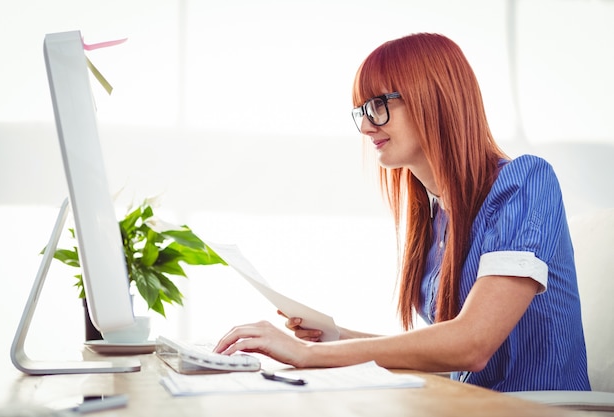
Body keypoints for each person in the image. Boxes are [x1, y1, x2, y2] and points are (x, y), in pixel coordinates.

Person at [213, 33, 591, 392]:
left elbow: (471, 345)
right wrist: (336, 337)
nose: (364, 126)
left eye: (378, 106)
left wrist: (311, 355)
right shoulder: (436, 217)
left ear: (434, 99)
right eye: (361, 110)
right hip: (464, 404)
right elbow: (443, 354)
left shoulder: (525, 182)